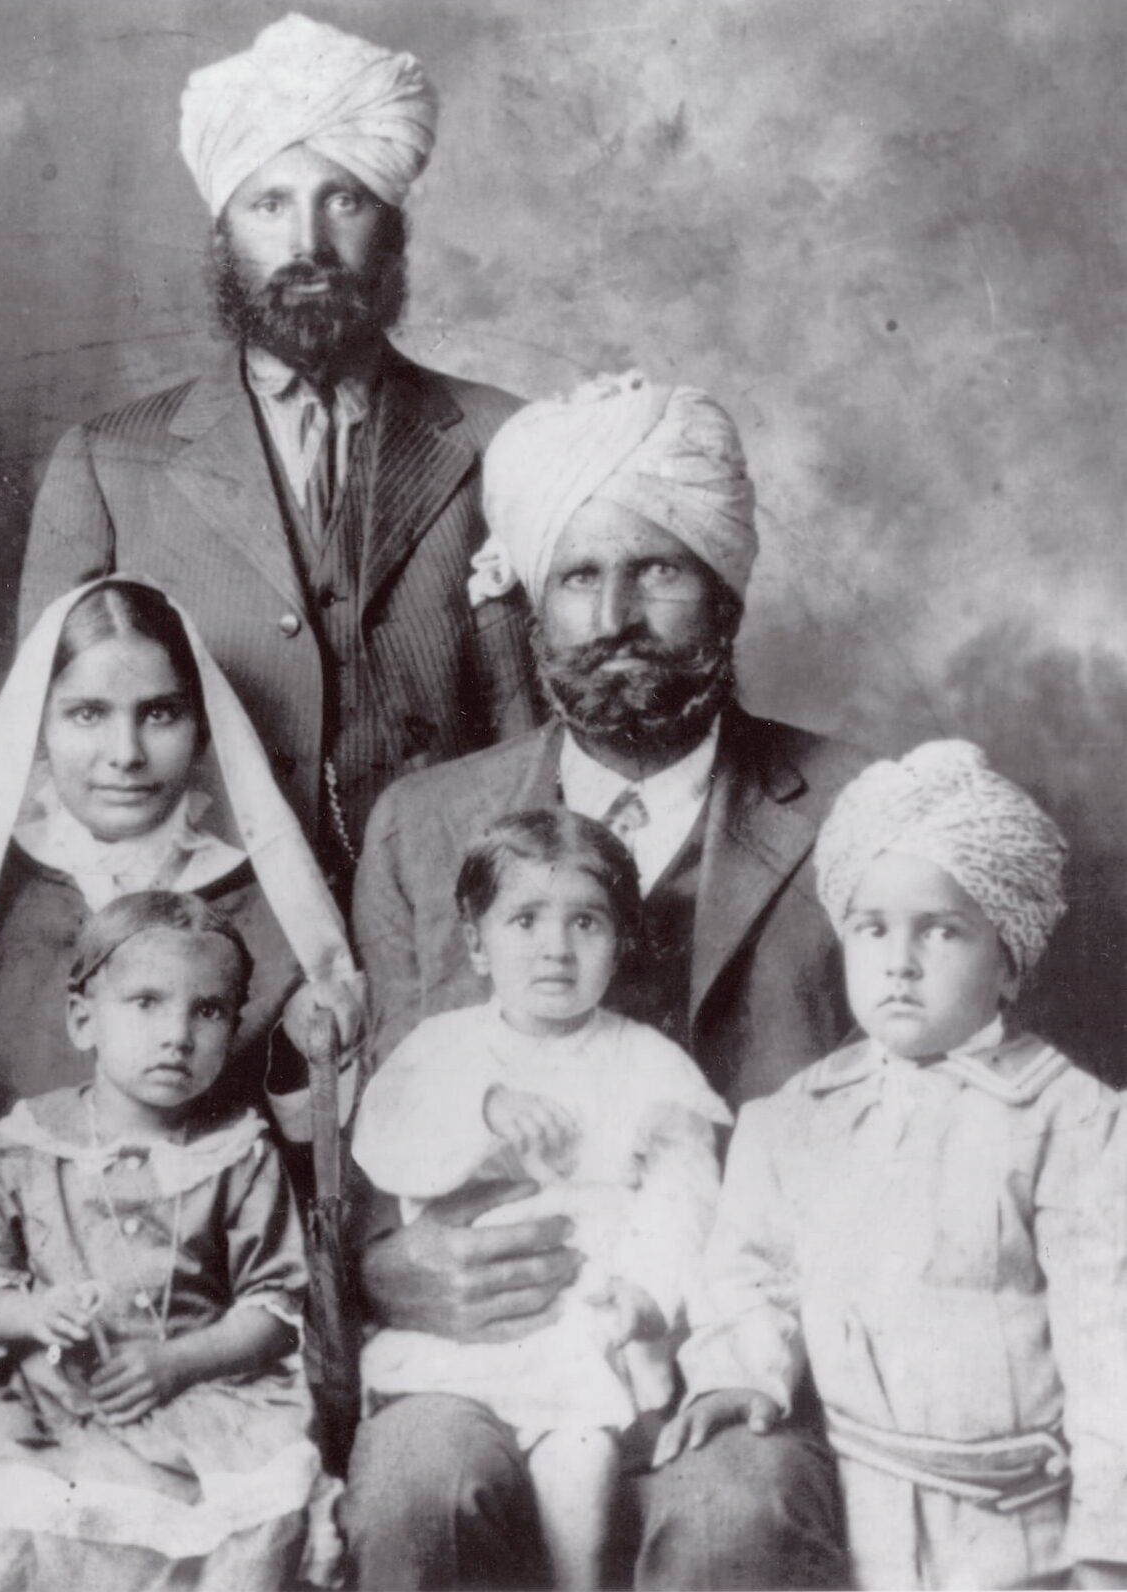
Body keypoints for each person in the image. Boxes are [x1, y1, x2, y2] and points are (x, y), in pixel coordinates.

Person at [346, 373, 868, 1588]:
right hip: (488, 1348)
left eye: (659, 571)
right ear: (529, 601)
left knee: (738, 1514)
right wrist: (393, 1267)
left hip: (749, 1352)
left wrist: (754, 1343)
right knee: (417, 1486)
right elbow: (371, 1146)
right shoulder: (423, 828)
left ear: (725, 591)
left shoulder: (851, 812)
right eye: (577, 576)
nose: (615, 614)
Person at [17, 14, 539, 888]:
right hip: (207, 933)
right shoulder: (106, 462)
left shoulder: (504, 439)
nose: (307, 246)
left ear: (394, 229)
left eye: (343, 200)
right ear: (223, 238)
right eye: (269, 205)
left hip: (450, 919)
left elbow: (537, 737)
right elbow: (47, 756)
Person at [658, 740, 1127, 1590]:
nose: (899, 962)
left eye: (941, 931)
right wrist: (738, 1372)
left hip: (1023, 1535)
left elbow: (1112, 1350)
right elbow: (750, 1276)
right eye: (872, 928)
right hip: (855, 1512)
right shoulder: (791, 1120)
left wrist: (1109, 1550)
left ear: (1010, 961)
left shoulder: (1078, 1123)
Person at [0, 576, 362, 1199]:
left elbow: (313, 1159)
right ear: (38, 730)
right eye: (87, 714)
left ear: (203, 727)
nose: (125, 753)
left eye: (160, 713)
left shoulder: (271, 904)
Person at [352, 810, 728, 1588]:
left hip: (588, 1327)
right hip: (462, 1339)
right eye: (524, 920)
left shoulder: (647, 1064)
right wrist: (483, 1108)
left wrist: (648, 1292)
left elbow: (683, 1196)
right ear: (475, 944)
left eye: (585, 922)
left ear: (621, 942)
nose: (555, 947)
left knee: (582, 1455)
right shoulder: (443, 1049)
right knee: (436, 1475)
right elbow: (383, 1143)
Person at [0, 892, 323, 1591]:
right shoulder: (26, 1144)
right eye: (146, 1003)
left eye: (207, 1010)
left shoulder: (238, 1151)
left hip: (209, 1399)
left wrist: (178, 1362)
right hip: (63, 1407)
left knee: (246, 1517)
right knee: (50, 1516)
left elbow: (274, 1310)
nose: (177, 1033)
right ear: (84, 1019)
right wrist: (34, 1313)